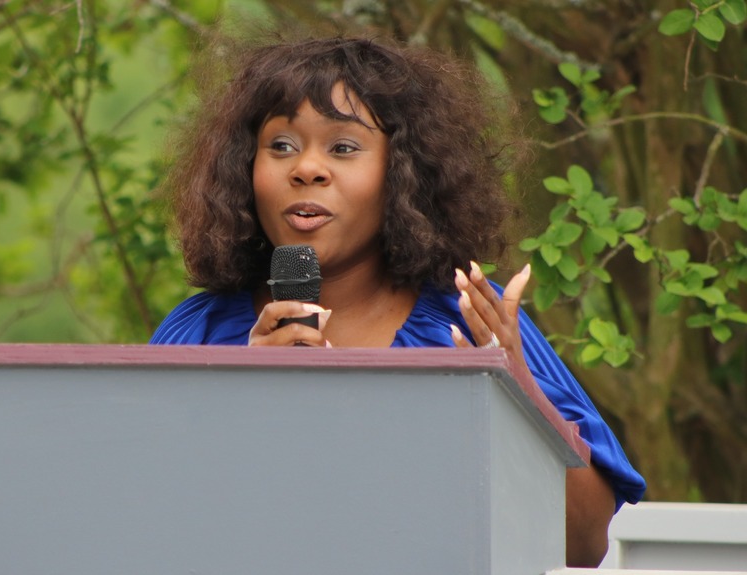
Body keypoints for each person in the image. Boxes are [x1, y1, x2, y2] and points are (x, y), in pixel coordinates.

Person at [150, 35, 645, 567]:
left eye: (343, 148)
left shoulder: (469, 319)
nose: (307, 170)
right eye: (282, 146)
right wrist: (240, 402)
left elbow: (585, 545)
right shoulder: (201, 332)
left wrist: (516, 390)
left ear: (403, 174)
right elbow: (143, 522)